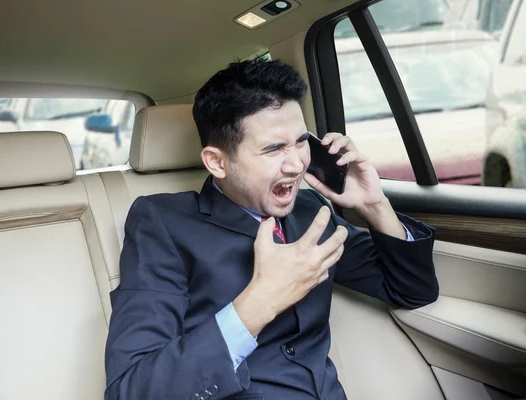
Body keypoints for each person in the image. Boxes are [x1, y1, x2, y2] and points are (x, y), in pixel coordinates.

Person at [105, 59, 439, 400]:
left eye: (300, 142)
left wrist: (374, 207)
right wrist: (261, 300)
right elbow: (130, 390)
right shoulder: (163, 222)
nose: (296, 164)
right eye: (274, 148)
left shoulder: (311, 212)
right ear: (217, 161)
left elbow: (412, 291)